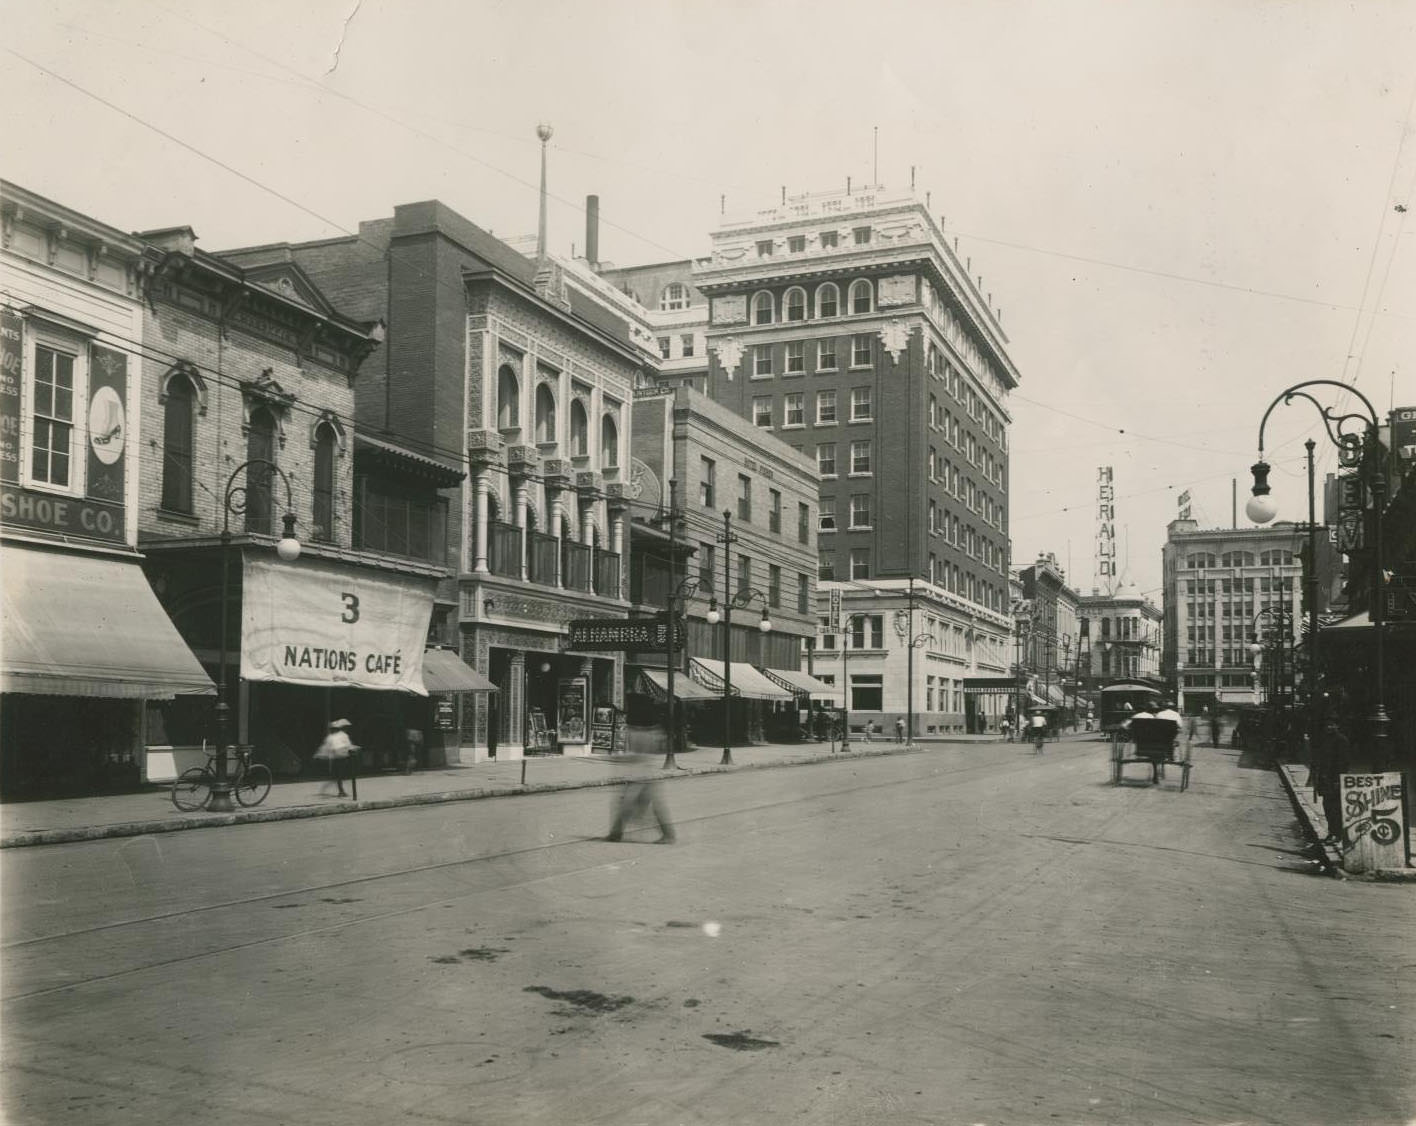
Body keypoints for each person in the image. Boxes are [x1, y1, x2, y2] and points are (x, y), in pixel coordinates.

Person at [606, 751, 675, 844]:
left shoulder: (641, 741)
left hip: (642, 777)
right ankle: (616, 834)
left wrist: (621, 758)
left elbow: (640, 756)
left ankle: (669, 835)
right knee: (628, 805)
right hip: (642, 776)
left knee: (627, 805)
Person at [1311, 716, 1351, 846]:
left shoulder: (1341, 740)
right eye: (1327, 725)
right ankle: (1332, 831)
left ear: (1337, 726)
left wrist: (1338, 779)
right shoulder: (1325, 739)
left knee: (1335, 808)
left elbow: (1343, 762)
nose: (1329, 727)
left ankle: (1337, 833)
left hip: (1334, 780)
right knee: (1327, 806)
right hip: (1325, 779)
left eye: (1332, 725)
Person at [315, 718, 357, 797]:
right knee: (340, 775)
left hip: (336, 757)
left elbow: (326, 747)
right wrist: (353, 748)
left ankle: (340, 790)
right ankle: (341, 791)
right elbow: (347, 746)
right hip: (342, 757)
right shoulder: (343, 735)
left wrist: (321, 754)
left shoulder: (331, 737)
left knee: (338, 776)